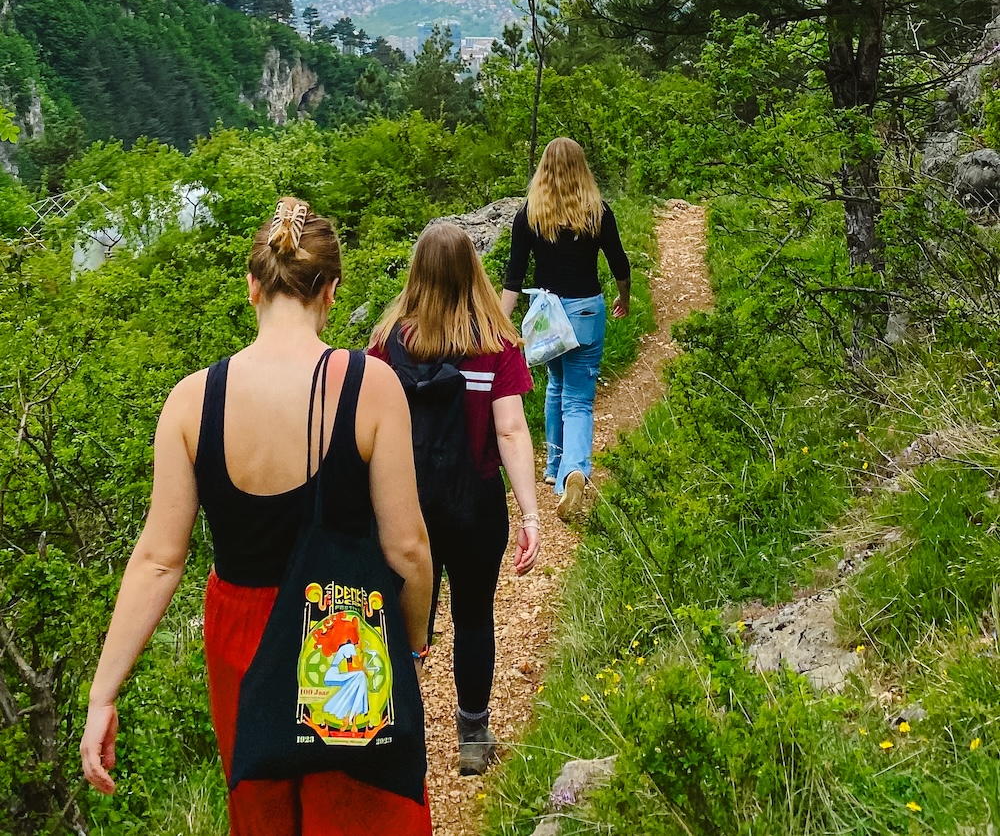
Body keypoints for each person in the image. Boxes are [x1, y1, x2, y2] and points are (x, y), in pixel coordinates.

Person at [80, 197, 433, 836]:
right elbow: (407, 546)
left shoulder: (192, 402)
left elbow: (160, 559)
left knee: (263, 814)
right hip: (344, 631)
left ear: (252, 287)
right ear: (331, 290)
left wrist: (104, 694)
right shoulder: (371, 385)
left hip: (240, 637)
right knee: (359, 812)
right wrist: (410, 645)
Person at [369, 221, 540, 777]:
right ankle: (472, 736)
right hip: (476, 504)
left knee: (402, 619)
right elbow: (511, 432)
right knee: (473, 615)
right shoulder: (496, 343)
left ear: (417, 272)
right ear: (473, 270)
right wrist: (530, 512)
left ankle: (398, 735)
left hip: (402, 509)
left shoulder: (389, 342)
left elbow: (364, 427)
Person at [501, 138, 631, 522]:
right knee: (576, 396)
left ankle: (554, 466)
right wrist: (625, 296)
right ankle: (573, 471)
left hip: (547, 315)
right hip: (586, 311)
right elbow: (619, 262)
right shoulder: (597, 212)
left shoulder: (529, 215)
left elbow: (514, 275)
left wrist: (499, 321)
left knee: (556, 383)